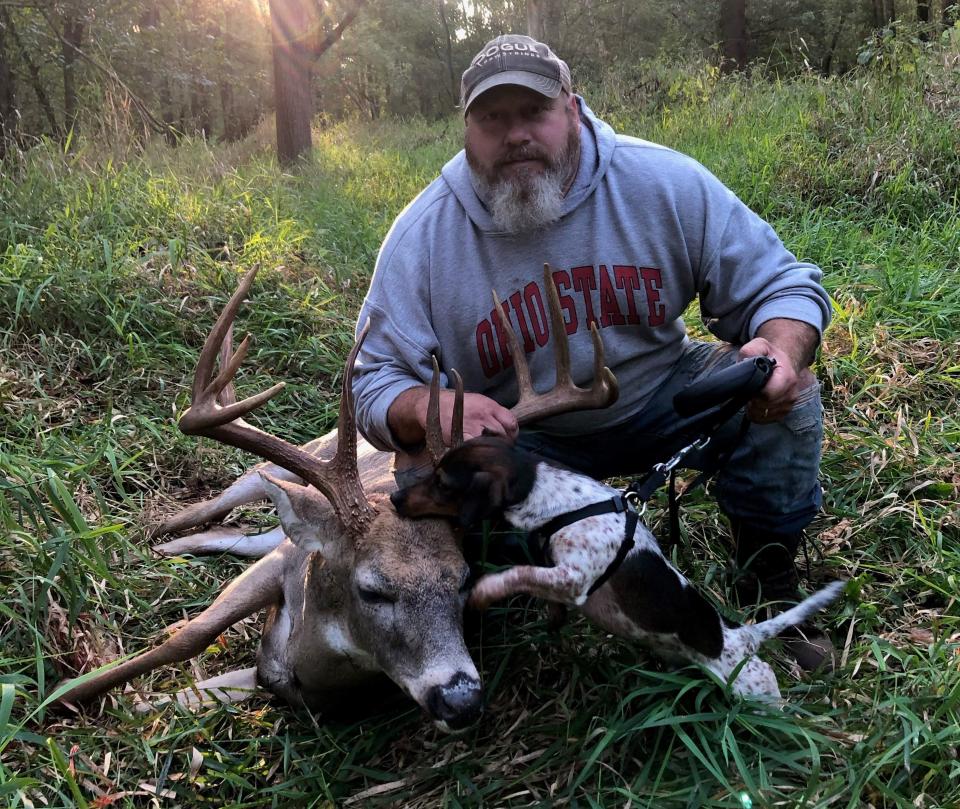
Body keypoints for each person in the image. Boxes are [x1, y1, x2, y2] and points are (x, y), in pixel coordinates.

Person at [352, 34, 834, 670]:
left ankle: (768, 582)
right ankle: (448, 638)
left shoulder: (661, 181)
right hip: (520, 440)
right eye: (492, 118)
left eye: (534, 112)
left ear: (573, 111)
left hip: (663, 398)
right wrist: (432, 406)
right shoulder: (425, 235)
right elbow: (372, 380)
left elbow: (783, 285)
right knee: (417, 470)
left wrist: (781, 348)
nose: (515, 134)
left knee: (776, 388)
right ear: (467, 130)